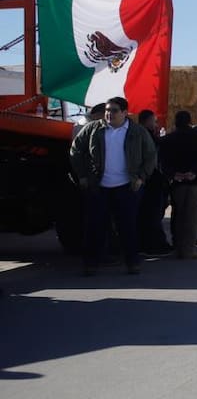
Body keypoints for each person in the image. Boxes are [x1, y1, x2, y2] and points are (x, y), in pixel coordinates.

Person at [68, 96, 158, 275]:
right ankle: (91, 264)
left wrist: (141, 177)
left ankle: (132, 262)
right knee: (95, 227)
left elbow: (150, 156)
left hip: (127, 187)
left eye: (114, 110)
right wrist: (83, 175)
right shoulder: (93, 129)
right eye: (107, 110)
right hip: (99, 187)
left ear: (125, 112)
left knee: (128, 227)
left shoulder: (137, 131)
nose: (109, 114)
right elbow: (76, 150)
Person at [158, 111, 197, 260]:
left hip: (178, 182)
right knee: (193, 218)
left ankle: (178, 246)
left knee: (178, 215)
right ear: (190, 121)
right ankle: (189, 250)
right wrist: (194, 172)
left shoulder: (168, 139)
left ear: (175, 122)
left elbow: (162, 161)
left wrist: (173, 174)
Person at [136, 108, 171, 255]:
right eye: (154, 121)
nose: (156, 124)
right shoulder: (145, 136)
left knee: (150, 214)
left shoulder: (143, 135)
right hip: (150, 181)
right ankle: (152, 245)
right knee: (152, 215)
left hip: (149, 180)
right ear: (147, 121)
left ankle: (152, 243)